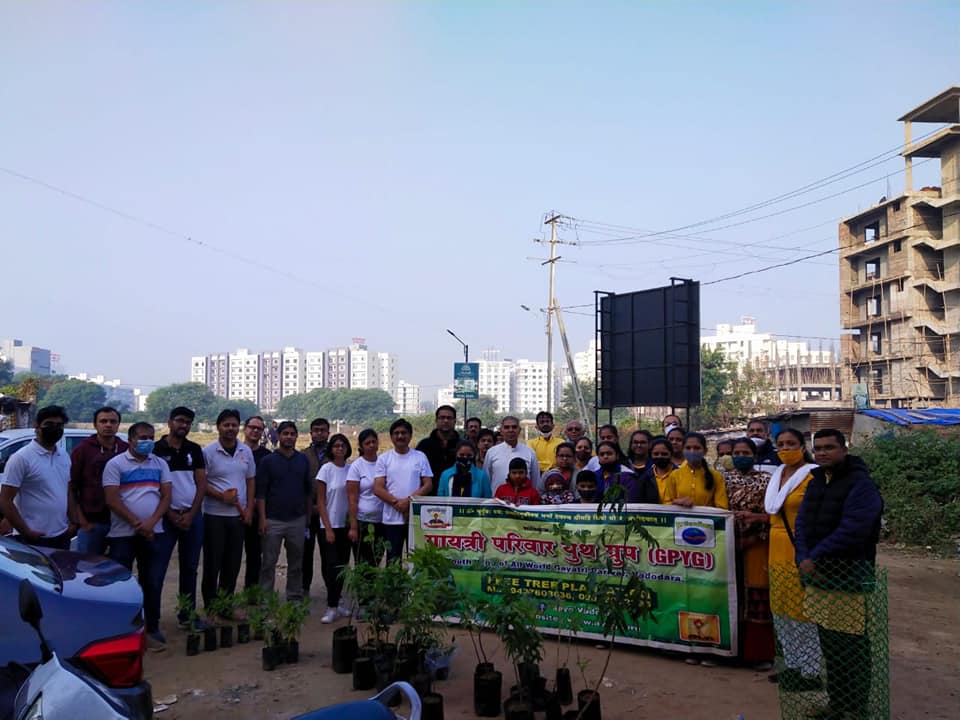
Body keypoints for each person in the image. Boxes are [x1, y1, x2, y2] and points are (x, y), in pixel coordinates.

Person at [795, 429, 883, 719]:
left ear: (844, 450)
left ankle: (855, 710)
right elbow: (802, 523)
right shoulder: (816, 481)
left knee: (851, 645)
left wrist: (815, 557)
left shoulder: (861, 484)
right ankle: (837, 704)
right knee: (830, 644)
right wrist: (803, 557)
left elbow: (854, 528)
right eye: (818, 448)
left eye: (829, 447)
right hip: (817, 575)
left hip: (849, 573)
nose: (822, 453)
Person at [102, 422, 173, 649]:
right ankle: (122, 630)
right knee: (122, 583)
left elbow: (166, 496)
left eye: (151, 437)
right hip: (123, 534)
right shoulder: (116, 464)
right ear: (131, 440)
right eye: (143, 438)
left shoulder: (160, 463)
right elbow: (112, 500)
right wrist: (136, 523)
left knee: (152, 581)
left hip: (154, 532)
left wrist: (150, 524)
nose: (148, 442)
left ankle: (151, 627)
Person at [764, 428, 821, 690]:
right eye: (781, 444)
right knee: (781, 608)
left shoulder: (812, 475)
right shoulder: (777, 474)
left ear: (802, 446)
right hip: (775, 548)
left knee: (801, 610)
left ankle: (810, 672)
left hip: (799, 546)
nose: (785, 448)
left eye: (791, 443)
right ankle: (793, 665)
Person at [153, 406, 208, 629]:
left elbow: (201, 484)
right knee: (157, 570)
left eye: (187, 422)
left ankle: (187, 615)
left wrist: (192, 513)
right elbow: (153, 486)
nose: (183, 425)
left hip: (192, 518)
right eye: (179, 420)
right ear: (169, 422)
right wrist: (170, 514)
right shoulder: (156, 450)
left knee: (190, 569)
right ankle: (152, 621)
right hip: (164, 519)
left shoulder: (194, 449)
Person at [722, 437, 775, 670]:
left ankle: (759, 654)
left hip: (758, 544)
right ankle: (730, 652)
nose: (741, 457)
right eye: (737, 453)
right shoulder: (722, 479)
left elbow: (772, 513)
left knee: (757, 593)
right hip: (727, 545)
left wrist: (754, 537)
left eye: (746, 453)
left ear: (754, 455)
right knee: (730, 595)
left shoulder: (767, 480)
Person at [201, 409, 256, 616]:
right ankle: (210, 607)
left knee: (232, 564)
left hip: (238, 517)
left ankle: (226, 605)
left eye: (234, 425)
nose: (230, 429)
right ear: (218, 427)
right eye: (226, 425)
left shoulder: (245, 451)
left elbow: (250, 481)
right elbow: (201, 483)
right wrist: (220, 496)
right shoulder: (208, 452)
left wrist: (249, 509)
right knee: (213, 563)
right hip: (214, 516)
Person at [0, 405, 75, 549]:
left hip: (61, 535)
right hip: (32, 539)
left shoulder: (64, 456)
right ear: (37, 426)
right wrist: (26, 532)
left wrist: (73, 522)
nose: (54, 428)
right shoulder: (21, 458)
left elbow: (67, 491)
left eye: (59, 425)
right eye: (49, 424)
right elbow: (5, 500)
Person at [256, 421, 311, 604]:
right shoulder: (268, 461)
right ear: (278, 436)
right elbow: (261, 493)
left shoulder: (302, 460)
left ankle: (294, 597)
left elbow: (308, 491)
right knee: (268, 562)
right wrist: (262, 519)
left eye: (292, 434)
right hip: (273, 520)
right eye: (285, 433)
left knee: (296, 562)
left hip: (297, 519)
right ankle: (266, 600)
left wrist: (307, 518)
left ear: (297, 436)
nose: (289, 437)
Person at [70, 406, 128, 555]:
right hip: (92, 523)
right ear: (95, 425)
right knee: (88, 566)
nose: (108, 425)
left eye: (113, 421)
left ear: (118, 425)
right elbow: (71, 488)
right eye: (103, 421)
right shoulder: (82, 450)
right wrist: (82, 521)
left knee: (119, 566)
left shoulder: (126, 450)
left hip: (123, 524)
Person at [373, 419, 433, 561]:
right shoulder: (384, 459)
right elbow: (378, 488)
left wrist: (408, 502)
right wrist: (398, 504)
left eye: (404, 433)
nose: (400, 436)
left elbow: (428, 484)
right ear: (391, 436)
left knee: (417, 560)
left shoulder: (420, 457)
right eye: (396, 433)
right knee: (393, 560)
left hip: (415, 518)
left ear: (410, 435)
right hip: (391, 520)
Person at [317, 433, 354, 623]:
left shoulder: (352, 469)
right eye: (336, 446)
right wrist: (328, 528)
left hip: (346, 526)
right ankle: (331, 607)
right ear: (331, 449)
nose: (340, 449)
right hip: (329, 525)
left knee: (342, 567)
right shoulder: (326, 469)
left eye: (343, 445)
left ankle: (338, 602)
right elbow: (321, 501)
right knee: (331, 566)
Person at [242, 416, 272, 590]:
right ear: (245, 428)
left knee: (254, 554)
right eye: (252, 427)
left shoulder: (267, 457)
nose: (255, 431)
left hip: (258, 511)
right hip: (235, 509)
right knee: (230, 554)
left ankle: (251, 591)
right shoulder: (236, 452)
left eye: (259, 429)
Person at [346, 428, 383, 567]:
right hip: (363, 521)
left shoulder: (384, 463)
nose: (372, 445)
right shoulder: (356, 466)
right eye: (368, 443)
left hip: (382, 521)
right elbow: (352, 499)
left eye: (374, 442)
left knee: (377, 559)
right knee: (363, 562)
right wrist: (353, 527)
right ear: (361, 446)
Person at [302, 417, 330, 599]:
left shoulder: (335, 455)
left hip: (328, 513)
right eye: (316, 430)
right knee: (306, 553)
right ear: (311, 433)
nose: (319, 433)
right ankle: (304, 589)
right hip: (307, 513)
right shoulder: (303, 456)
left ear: (328, 433)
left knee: (328, 554)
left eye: (322, 430)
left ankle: (332, 592)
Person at [663, 432, 728, 509]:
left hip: (706, 517)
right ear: (683, 450)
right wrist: (677, 502)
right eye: (688, 448)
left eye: (696, 448)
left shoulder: (716, 477)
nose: (692, 451)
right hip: (680, 517)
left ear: (705, 451)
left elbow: (722, 507)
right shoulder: (674, 475)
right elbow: (666, 503)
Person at [482, 416, 540, 493]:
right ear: (501, 431)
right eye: (507, 427)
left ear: (519, 430)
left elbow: (535, 482)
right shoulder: (491, 452)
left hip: (524, 499)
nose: (510, 430)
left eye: (514, 427)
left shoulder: (530, 452)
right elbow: (486, 480)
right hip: (496, 499)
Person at [594, 440, 659, 504]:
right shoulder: (594, 475)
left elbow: (632, 501)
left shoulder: (628, 476)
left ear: (617, 456)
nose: (605, 456)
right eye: (602, 454)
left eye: (609, 453)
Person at [415, 405, 460, 495]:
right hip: (429, 495)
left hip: (457, 495)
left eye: (449, 418)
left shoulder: (463, 445)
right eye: (442, 418)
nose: (445, 421)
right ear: (436, 420)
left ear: (455, 421)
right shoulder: (424, 445)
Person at [648, 438, 675, 502]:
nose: (659, 456)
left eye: (664, 454)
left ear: (671, 454)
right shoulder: (645, 479)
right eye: (656, 454)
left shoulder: (681, 475)